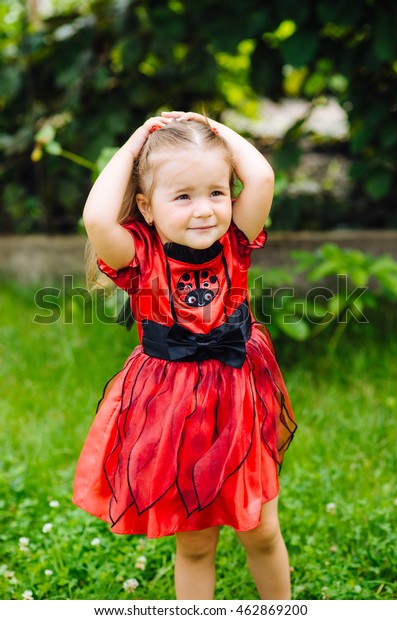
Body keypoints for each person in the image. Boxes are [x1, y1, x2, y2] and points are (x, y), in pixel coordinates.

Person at [73, 111, 297, 600]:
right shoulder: (137, 256)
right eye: (183, 196)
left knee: (260, 527)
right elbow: (95, 217)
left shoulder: (234, 241)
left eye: (216, 192)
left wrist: (210, 126)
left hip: (239, 391)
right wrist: (136, 142)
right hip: (173, 406)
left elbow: (259, 175)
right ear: (147, 208)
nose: (204, 210)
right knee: (195, 542)